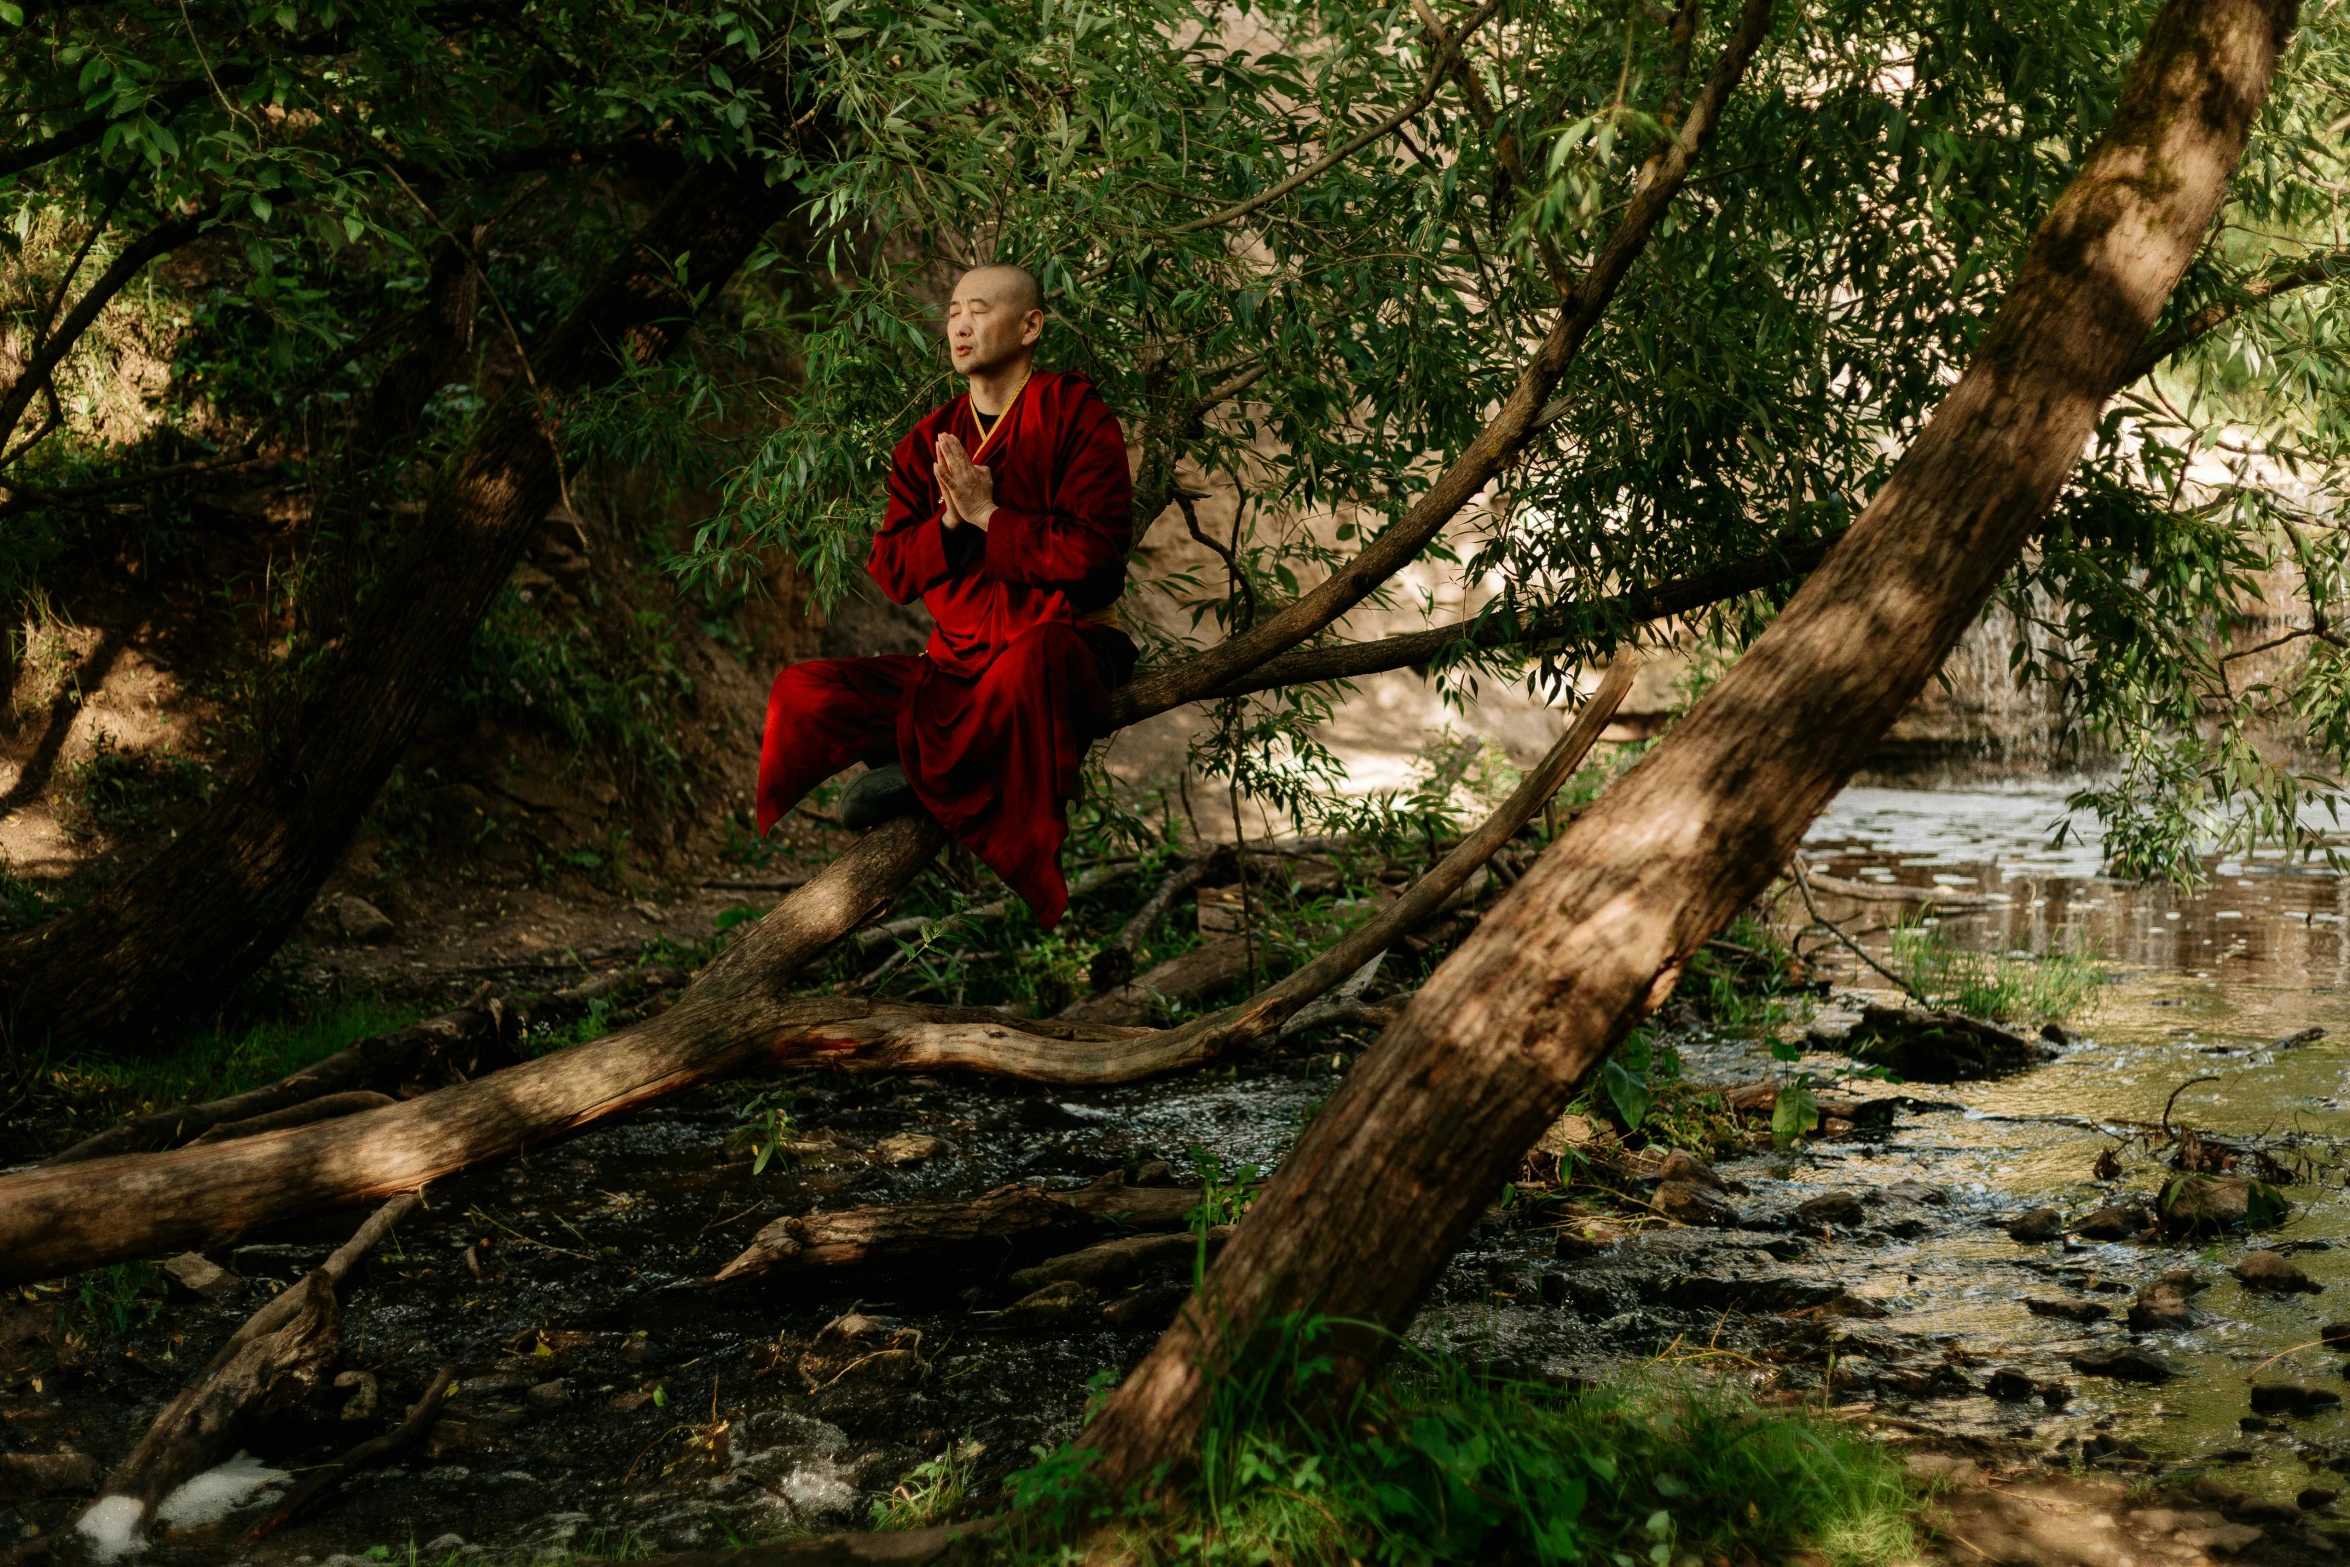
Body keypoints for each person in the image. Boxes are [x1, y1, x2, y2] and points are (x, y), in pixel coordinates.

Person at [754, 263, 1136, 930]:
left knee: (1032, 660)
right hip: (956, 668)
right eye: (954, 309)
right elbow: (893, 570)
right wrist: (951, 524)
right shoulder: (927, 442)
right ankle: (946, 768)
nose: (960, 322)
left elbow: (1098, 560)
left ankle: (921, 773)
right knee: (802, 690)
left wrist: (992, 518)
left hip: (1061, 647)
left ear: (1030, 325)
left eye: (980, 309)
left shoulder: (1077, 415)